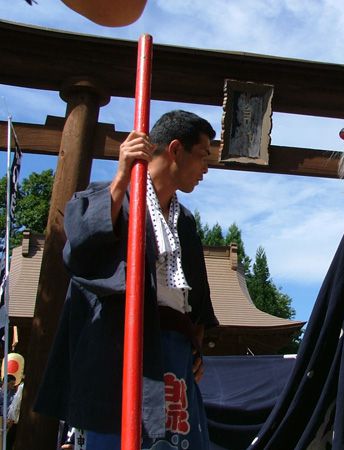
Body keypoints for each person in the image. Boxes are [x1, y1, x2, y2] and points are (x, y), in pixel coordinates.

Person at [35, 110, 219, 450]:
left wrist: (195, 346)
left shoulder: (187, 222)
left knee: (176, 441)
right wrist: (121, 177)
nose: (206, 169)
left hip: (174, 355)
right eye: (203, 155)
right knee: (122, 437)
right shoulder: (113, 196)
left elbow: (196, 300)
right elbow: (80, 253)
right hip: (125, 349)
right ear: (176, 150)